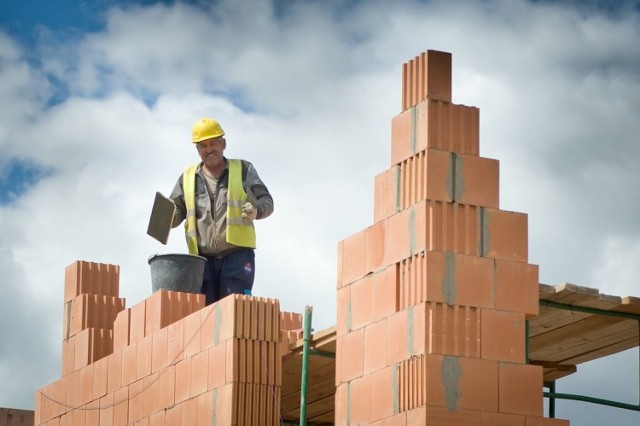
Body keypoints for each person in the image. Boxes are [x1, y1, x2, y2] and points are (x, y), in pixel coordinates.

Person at [169, 117, 274, 305]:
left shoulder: (242, 169)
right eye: (203, 145)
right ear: (197, 149)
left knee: (234, 310)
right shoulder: (188, 177)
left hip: (237, 256)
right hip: (202, 260)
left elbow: (267, 201)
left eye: (213, 143)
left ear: (223, 143)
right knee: (205, 314)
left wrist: (256, 212)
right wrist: (165, 218)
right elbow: (175, 212)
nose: (209, 149)